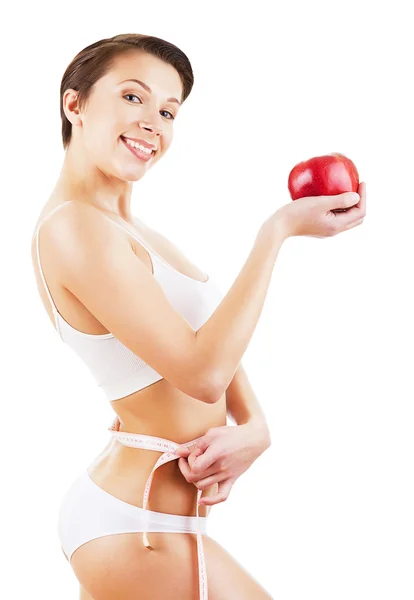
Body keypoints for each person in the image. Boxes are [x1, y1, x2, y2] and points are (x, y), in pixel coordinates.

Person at [30, 33, 366, 600]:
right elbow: (201, 372)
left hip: (151, 520)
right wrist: (276, 231)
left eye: (167, 111)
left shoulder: (138, 235)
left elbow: (210, 344)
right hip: (132, 526)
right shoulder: (73, 228)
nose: (153, 123)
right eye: (133, 98)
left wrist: (253, 423)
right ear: (74, 105)